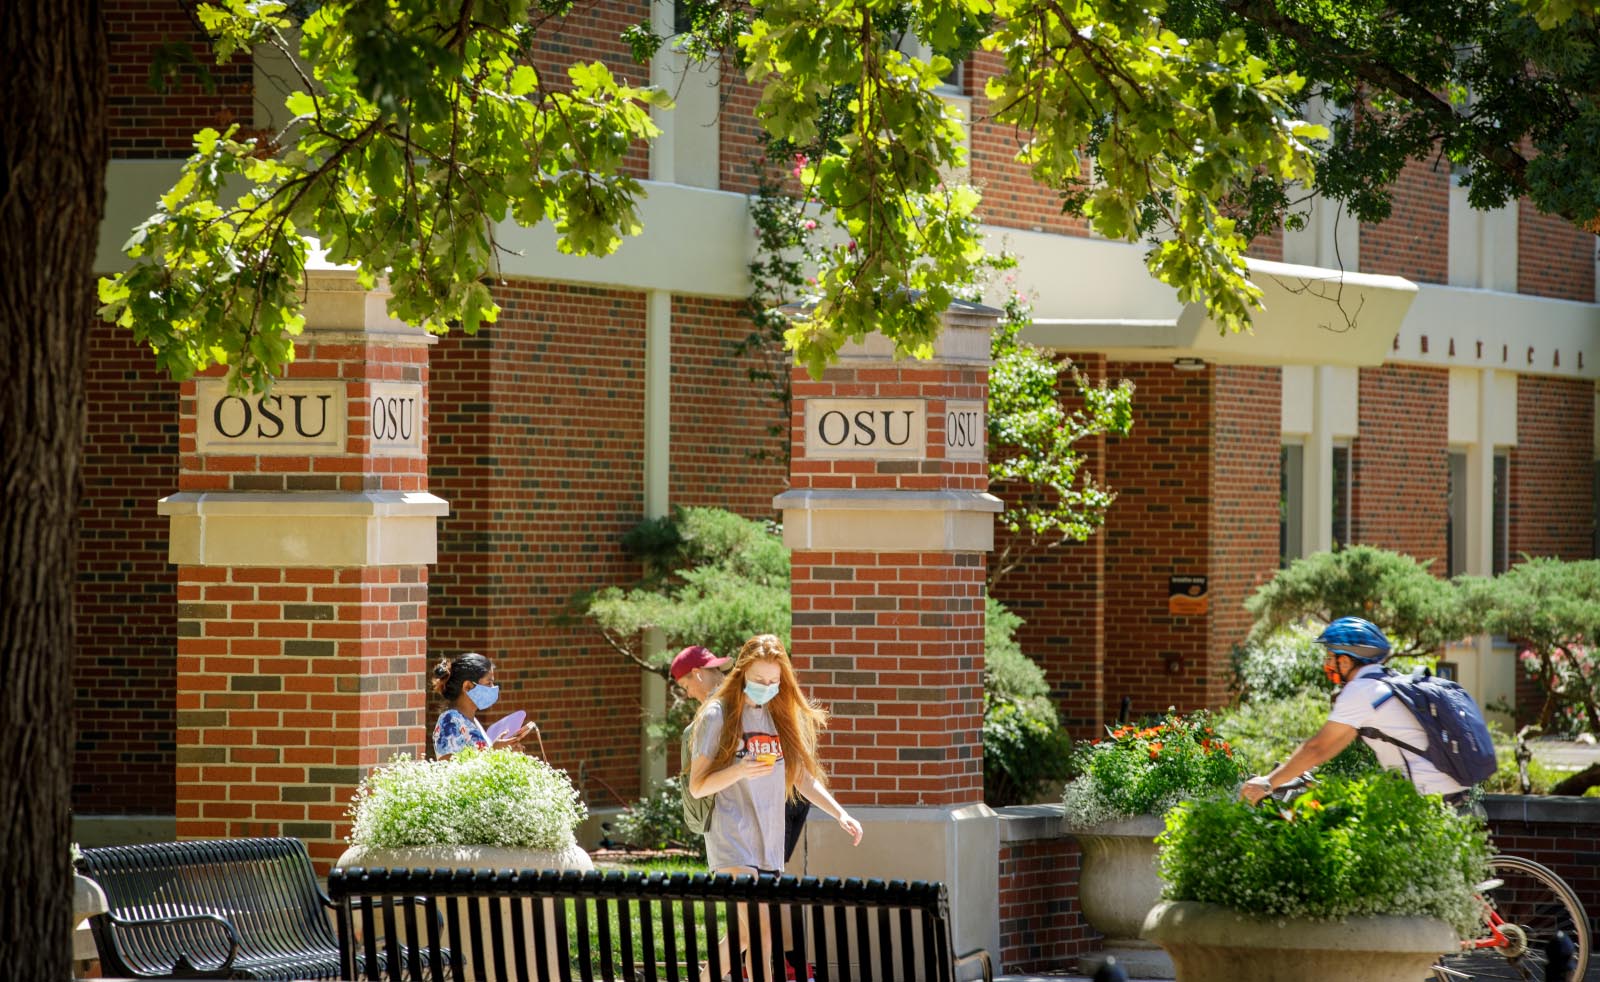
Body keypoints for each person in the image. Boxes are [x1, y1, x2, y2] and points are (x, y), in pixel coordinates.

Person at [688, 634, 862, 978]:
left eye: (773, 681)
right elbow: (697, 786)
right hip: (732, 838)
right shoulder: (718, 714)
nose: (766, 688)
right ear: (742, 673)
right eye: (759, 680)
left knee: (743, 935)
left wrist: (840, 813)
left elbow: (801, 778)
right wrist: (739, 770)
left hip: (767, 843)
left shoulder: (778, 715)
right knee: (762, 932)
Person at [1240, 616, 1471, 807]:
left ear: (1346, 661)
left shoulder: (1361, 690)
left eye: (1331, 658)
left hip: (1430, 800)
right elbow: (1334, 746)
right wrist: (1301, 774)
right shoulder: (1382, 682)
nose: (1327, 665)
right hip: (1444, 794)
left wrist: (1268, 784)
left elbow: (1316, 748)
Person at [430, 652, 535, 761]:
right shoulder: (449, 720)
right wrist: (494, 752)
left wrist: (507, 753)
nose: (493, 688)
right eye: (488, 683)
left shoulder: (472, 721)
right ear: (467, 686)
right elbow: (447, 765)